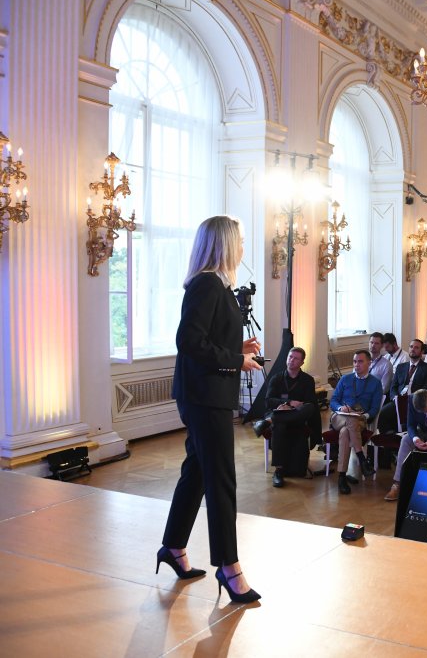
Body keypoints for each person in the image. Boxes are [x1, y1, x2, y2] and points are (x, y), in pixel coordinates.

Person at [160, 215, 261, 603]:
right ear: (224, 244)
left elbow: (209, 339)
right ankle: (228, 566)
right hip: (204, 397)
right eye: (240, 240)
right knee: (222, 481)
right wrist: (235, 361)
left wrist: (238, 351)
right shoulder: (206, 283)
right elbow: (189, 341)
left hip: (208, 394)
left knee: (199, 473)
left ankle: (172, 547)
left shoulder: (218, 286)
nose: (243, 247)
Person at [263, 347, 319, 487]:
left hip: (298, 416)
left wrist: (294, 407)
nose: (291, 361)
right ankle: (279, 471)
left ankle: (273, 419)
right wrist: (286, 403)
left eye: (295, 358)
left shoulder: (307, 380)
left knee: (310, 407)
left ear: (302, 362)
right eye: (290, 357)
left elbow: (310, 403)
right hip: (280, 413)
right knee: (280, 425)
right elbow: (268, 401)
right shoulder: (276, 378)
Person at [329, 350, 383, 495]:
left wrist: (364, 416)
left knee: (345, 432)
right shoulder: (345, 379)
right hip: (339, 417)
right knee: (348, 422)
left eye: (360, 361)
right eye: (354, 362)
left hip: (359, 420)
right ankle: (362, 459)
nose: (356, 365)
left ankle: (341, 476)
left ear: (369, 363)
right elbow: (333, 401)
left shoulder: (375, 383)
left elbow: (375, 408)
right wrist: (341, 407)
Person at [378, 339, 427, 433]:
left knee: (408, 419)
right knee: (383, 413)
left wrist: (414, 399)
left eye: (416, 348)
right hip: (398, 400)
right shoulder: (401, 367)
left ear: (422, 352)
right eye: (411, 347)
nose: (413, 349)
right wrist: (395, 397)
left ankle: (406, 437)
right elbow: (393, 386)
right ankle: (389, 438)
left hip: (415, 402)